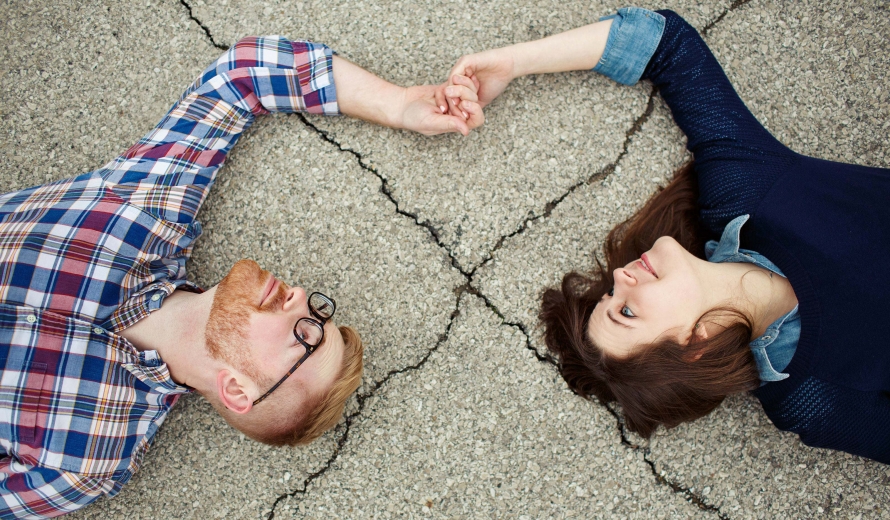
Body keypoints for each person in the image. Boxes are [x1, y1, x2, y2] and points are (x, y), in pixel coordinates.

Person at [0, 36, 482, 517]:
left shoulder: (86, 463)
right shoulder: (148, 215)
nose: (299, 297)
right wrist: (398, 103)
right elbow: (243, 76)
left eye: (305, 335)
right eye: (318, 311)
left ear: (236, 390)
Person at [442, 7, 890, 463]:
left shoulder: (746, 197)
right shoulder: (809, 400)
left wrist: (513, 62)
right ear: (694, 346)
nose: (620, 278)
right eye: (627, 311)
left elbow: (666, 44)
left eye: (609, 294)